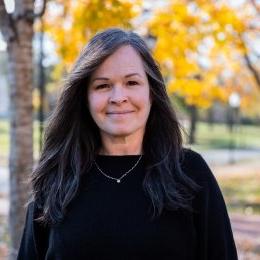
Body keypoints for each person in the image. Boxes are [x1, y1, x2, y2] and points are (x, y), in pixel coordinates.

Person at [17, 28, 238, 260]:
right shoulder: (58, 175)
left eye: (132, 82)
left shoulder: (190, 172)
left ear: (152, 93)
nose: (118, 97)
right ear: (85, 97)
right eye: (102, 85)